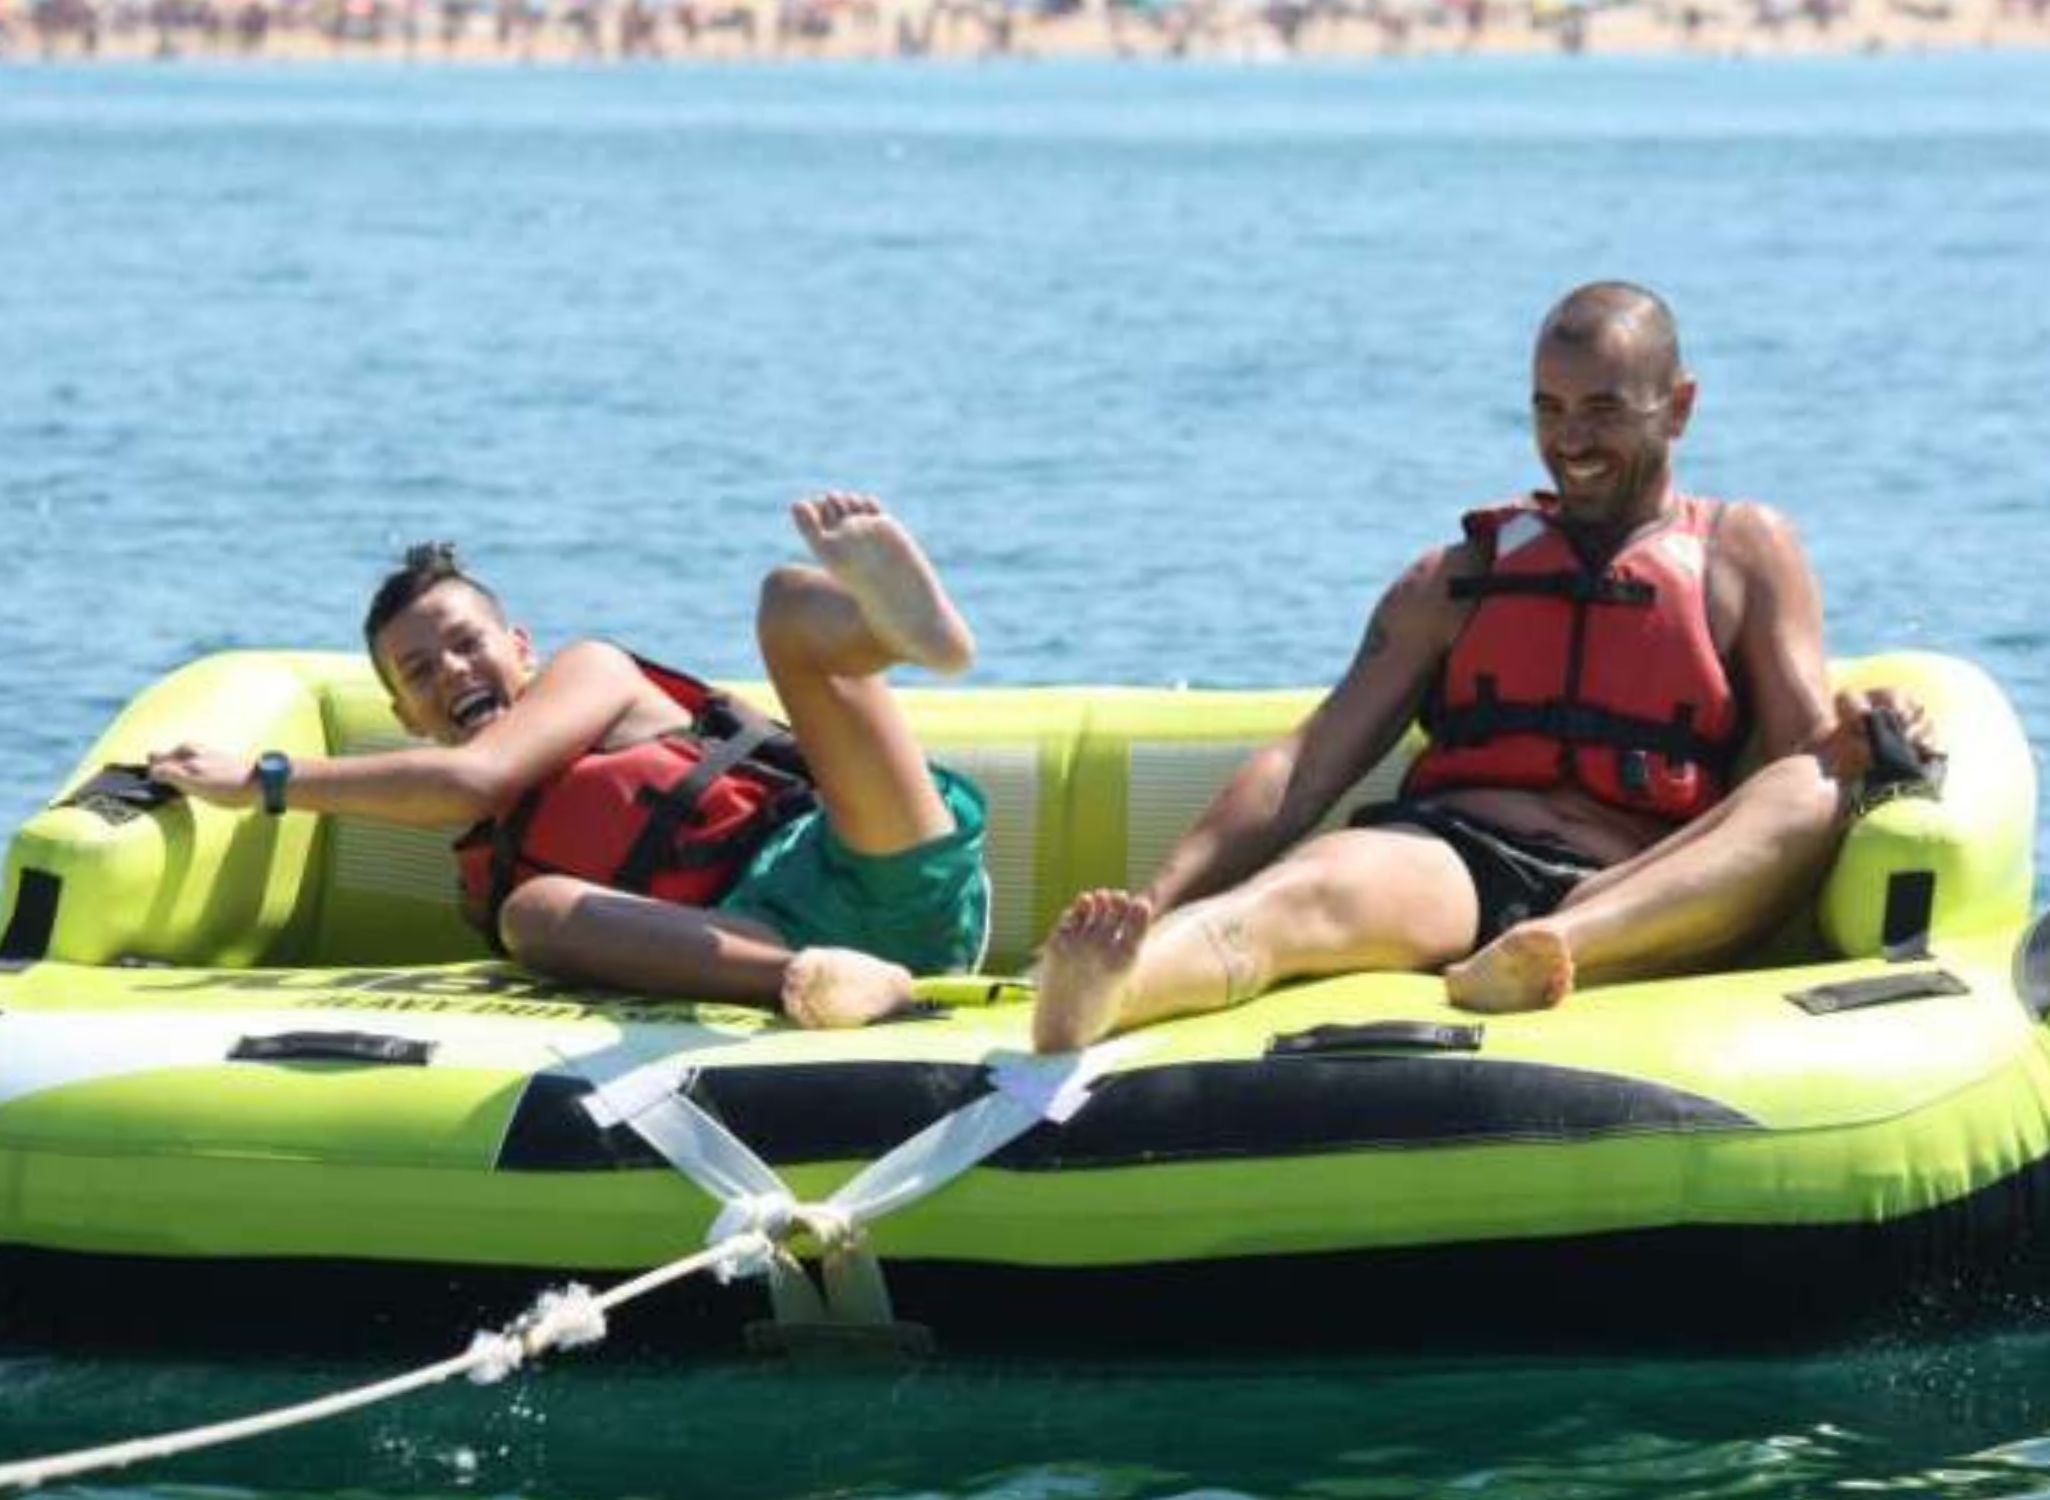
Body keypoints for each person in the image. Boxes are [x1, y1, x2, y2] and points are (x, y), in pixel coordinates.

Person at [1032, 281, 1900, 1053]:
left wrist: (1869, 729)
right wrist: (1151, 903)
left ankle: (1565, 948)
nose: (1573, 440)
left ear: (1677, 408)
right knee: (1297, 898)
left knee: (1808, 787)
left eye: (1602, 409)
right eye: (1549, 409)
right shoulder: (1457, 579)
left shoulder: (1743, 552)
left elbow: (1809, 755)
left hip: (1644, 882)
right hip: (1456, 862)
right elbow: (1303, 767)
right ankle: (1109, 989)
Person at [148, 494, 991, 1029]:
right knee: (532, 914)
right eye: (420, 671)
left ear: (521, 650)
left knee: (785, 599)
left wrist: (263, 780)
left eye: (467, 643)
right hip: (766, 942)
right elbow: (470, 795)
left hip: (857, 852)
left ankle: (905, 632)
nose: (453, 671)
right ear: (406, 716)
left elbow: (472, 780)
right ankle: (830, 984)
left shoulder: (592, 670)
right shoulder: (495, 858)